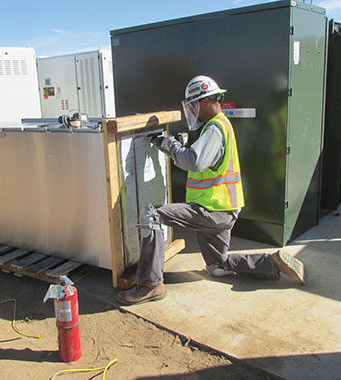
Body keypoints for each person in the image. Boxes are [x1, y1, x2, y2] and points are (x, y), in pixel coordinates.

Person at [117, 75, 306, 305]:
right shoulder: (222, 125)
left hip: (211, 210)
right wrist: (178, 146)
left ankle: (150, 284)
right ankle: (272, 262)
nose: (193, 111)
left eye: (194, 105)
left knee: (151, 213)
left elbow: (194, 162)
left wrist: (167, 144)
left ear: (205, 102)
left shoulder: (214, 128)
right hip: (224, 210)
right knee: (218, 266)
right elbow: (203, 159)